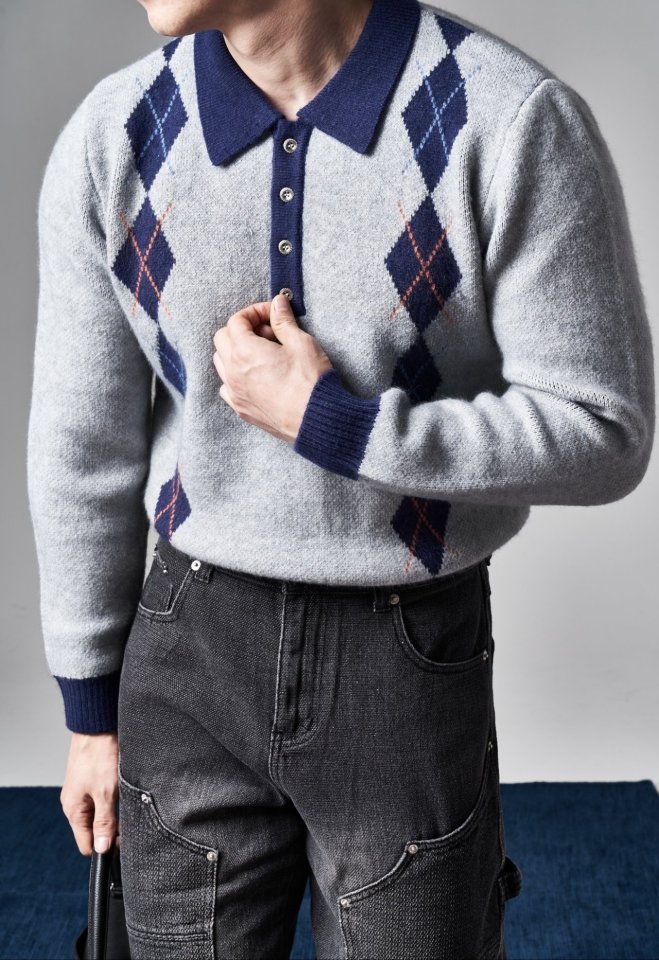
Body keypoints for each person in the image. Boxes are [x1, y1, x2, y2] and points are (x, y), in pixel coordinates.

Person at [27, 0, 654, 956]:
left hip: (402, 656)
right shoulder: (114, 136)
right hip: (185, 645)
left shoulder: (508, 119)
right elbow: (82, 445)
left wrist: (338, 426)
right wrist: (89, 715)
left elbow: (602, 429)